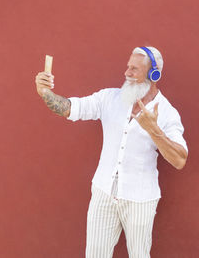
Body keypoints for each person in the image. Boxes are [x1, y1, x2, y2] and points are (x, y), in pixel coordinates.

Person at [35, 46, 188, 258]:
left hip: (140, 199)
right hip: (103, 193)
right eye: (128, 67)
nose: (127, 73)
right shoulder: (110, 98)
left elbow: (180, 160)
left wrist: (153, 129)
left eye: (134, 69)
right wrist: (46, 93)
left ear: (154, 74)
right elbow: (72, 108)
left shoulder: (168, 113)